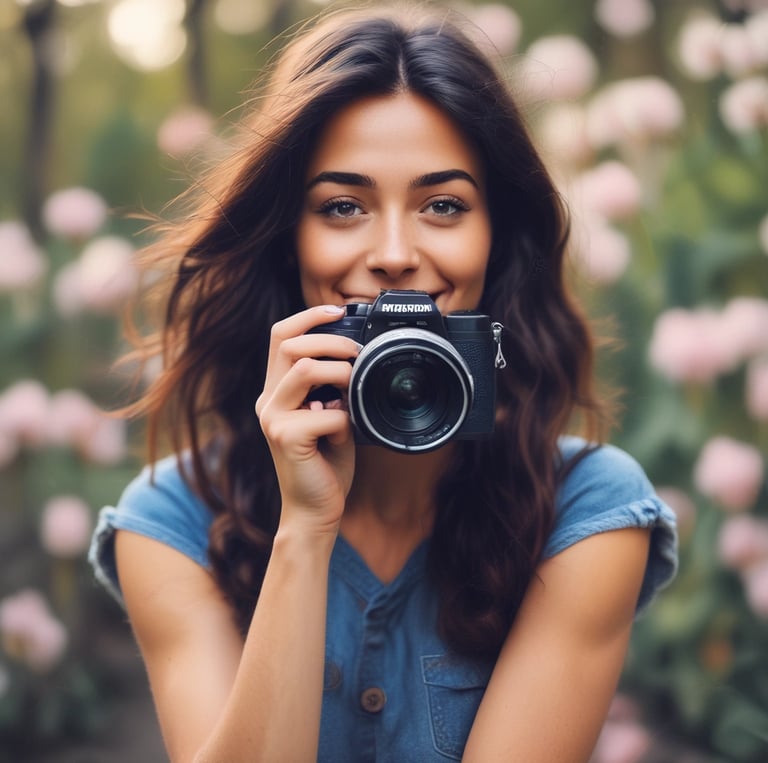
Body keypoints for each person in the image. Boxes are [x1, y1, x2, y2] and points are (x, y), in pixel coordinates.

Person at [89, 3, 677, 761]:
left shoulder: (587, 513)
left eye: (443, 205)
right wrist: (304, 530)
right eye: (342, 206)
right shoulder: (172, 519)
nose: (394, 253)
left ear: (496, 239)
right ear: (287, 239)